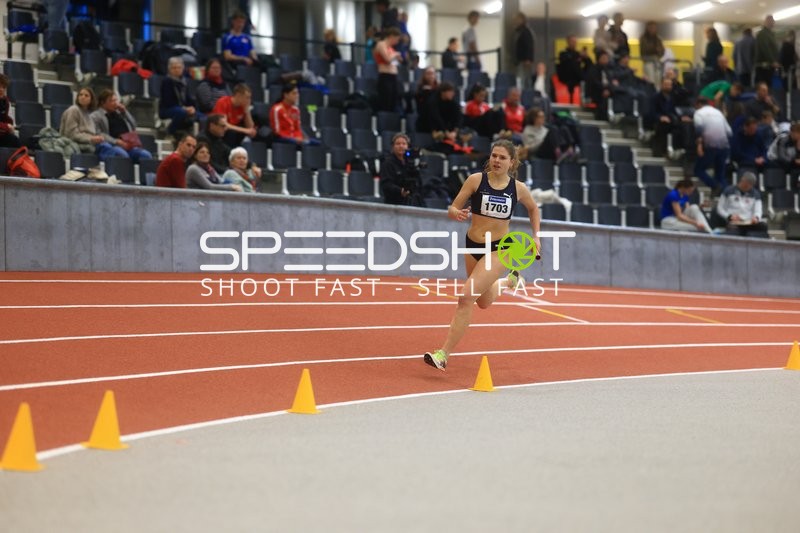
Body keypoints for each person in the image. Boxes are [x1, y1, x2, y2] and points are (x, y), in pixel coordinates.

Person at [423, 139, 541, 371]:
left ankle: (442, 354)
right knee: (483, 301)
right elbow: (452, 208)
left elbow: (533, 209)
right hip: (473, 245)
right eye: (494, 156)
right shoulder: (476, 180)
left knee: (466, 298)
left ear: (512, 162)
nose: (496, 160)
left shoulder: (518, 189)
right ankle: (510, 280)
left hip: (498, 249)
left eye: (502, 157)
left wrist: (536, 236)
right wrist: (456, 213)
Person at [60, 87, 129, 161]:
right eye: (80, 95)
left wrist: (97, 138)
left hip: (90, 144)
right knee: (116, 152)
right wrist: (91, 139)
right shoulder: (73, 110)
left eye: (86, 95)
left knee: (115, 150)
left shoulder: (88, 114)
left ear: (91, 99)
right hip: (77, 144)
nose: (83, 97)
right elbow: (71, 134)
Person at [91, 89, 153, 163]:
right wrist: (117, 141)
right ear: (103, 103)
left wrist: (125, 112)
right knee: (122, 155)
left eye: (116, 100)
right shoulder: (95, 116)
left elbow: (133, 125)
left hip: (128, 145)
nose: (115, 103)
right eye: (111, 101)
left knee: (146, 155)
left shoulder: (120, 113)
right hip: (112, 145)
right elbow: (98, 133)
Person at [693, 97, 732, 194]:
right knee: (720, 174)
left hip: (710, 145)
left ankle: (715, 186)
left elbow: (699, 129)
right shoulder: (718, 113)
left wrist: (699, 146)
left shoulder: (699, 113)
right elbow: (729, 132)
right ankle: (727, 194)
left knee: (698, 170)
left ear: (698, 104)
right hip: (724, 146)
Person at [713, 172, 768, 237]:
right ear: (742, 180)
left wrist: (756, 217)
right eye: (745, 185)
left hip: (749, 222)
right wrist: (729, 216)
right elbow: (720, 208)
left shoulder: (756, 194)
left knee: (763, 226)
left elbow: (758, 210)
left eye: (749, 186)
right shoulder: (728, 191)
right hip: (734, 222)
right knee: (733, 230)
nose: (746, 187)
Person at [159, 57, 203, 135]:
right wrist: (185, 108)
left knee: (202, 116)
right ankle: (170, 132)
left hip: (182, 108)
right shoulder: (166, 81)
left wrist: (193, 108)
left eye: (179, 67)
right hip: (167, 109)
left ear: (183, 69)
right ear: (169, 69)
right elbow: (168, 101)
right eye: (174, 68)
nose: (177, 70)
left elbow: (189, 99)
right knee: (181, 112)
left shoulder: (184, 82)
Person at [379, 132, 423, 206]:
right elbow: (386, 184)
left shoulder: (410, 163)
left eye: (404, 144)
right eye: (398, 144)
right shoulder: (388, 163)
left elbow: (418, 182)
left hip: (412, 202)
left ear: (408, 146)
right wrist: (400, 191)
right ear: (393, 146)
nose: (401, 146)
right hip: (394, 202)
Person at [373, 27, 403, 113]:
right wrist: (396, 54)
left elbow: (398, 61)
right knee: (386, 102)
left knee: (393, 102)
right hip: (385, 76)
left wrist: (397, 56)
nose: (397, 42)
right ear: (391, 37)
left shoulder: (391, 48)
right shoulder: (381, 44)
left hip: (393, 76)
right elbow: (387, 59)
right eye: (396, 39)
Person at [557, 35, 589, 103]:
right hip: (567, 78)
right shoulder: (563, 54)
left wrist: (586, 58)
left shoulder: (578, 54)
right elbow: (567, 62)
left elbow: (590, 65)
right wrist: (578, 57)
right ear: (568, 42)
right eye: (572, 41)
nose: (574, 43)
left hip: (578, 79)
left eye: (575, 41)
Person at [754, 15, 779, 85]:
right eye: (771, 21)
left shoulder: (771, 34)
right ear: (766, 22)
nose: (773, 23)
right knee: (764, 85)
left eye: (773, 21)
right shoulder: (763, 34)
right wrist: (772, 61)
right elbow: (765, 48)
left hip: (769, 66)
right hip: (764, 66)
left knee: (768, 84)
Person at [512, 12, 534, 89]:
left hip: (524, 60)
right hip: (520, 60)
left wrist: (528, 59)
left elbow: (529, 45)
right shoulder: (519, 31)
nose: (514, 21)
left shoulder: (525, 32)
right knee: (520, 79)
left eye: (516, 19)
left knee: (524, 79)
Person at [0, 74, 21, 148]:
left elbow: (10, 122)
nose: (1, 89)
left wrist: (9, 127)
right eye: (0, 86)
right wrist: (6, 126)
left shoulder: (5, 102)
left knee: (15, 140)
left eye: (4, 87)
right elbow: (7, 126)